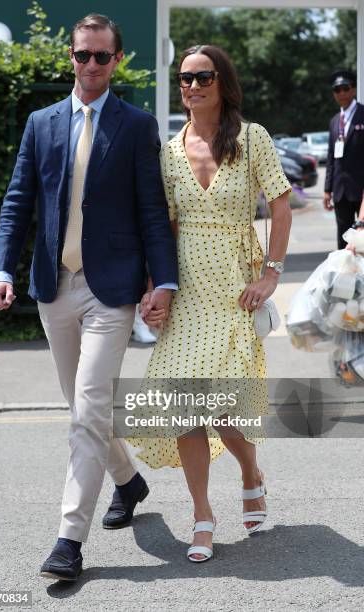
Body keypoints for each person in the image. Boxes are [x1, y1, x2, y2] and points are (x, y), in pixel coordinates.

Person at [0, 13, 178, 581]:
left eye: (100, 56)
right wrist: (2, 268)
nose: (89, 65)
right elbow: (18, 202)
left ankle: (69, 539)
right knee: (84, 410)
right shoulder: (41, 122)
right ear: (69, 57)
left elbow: (151, 211)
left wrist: (162, 281)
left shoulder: (138, 125)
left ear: (117, 60)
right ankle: (129, 480)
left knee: (89, 408)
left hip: (110, 292)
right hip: (54, 286)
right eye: (80, 55)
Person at [130, 45, 292, 563]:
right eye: (185, 78)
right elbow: (166, 227)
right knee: (180, 407)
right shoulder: (171, 149)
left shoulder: (252, 138)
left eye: (203, 77)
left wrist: (272, 273)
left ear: (223, 83)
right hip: (189, 290)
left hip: (234, 288)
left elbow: (282, 205)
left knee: (224, 409)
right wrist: (157, 288)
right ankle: (202, 515)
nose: (193, 86)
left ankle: (250, 471)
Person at [324, 70, 364, 249]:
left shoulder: (363, 114)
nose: (341, 93)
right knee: (343, 240)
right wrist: (327, 189)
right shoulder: (334, 121)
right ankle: (346, 275)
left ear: (353, 90)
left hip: (362, 189)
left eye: (345, 88)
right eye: (337, 90)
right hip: (341, 190)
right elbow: (331, 157)